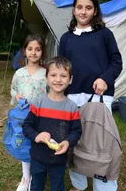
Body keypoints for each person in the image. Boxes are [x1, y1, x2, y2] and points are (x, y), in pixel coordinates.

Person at [58, 0, 123, 191]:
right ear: (74, 10)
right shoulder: (66, 38)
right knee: (75, 140)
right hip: (72, 96)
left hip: (99, 97)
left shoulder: (105, 34)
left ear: (95, 11)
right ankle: (79, 184)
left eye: (88, 8)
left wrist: (105, 78)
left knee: (100, 142)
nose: (83, 12)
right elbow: (61, 68)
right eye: (79, 7)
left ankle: (103, 185)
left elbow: (116, 62)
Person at [22, 56, 82, 191]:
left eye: (63, 76)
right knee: (36, 186)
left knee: (57, 186)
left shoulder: (72, 107)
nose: (58, 79)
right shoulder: (38, 103)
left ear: (70, 80)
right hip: (37, 157)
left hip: (59, 159)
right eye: (53, 75)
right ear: (47, 78)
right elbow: (26, 126)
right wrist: (36, 136)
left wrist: (67, 142)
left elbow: (76, 131)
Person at [10, 34, 47, 191]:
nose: (33, 53)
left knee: (38, 144)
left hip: (41, 116)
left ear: (42, 52)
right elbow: (13, 89)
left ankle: (38, 175)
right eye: (30, 49)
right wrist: (16, 95)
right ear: (24, 51)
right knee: (25, 144)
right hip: (24, 117)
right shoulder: (19, 73)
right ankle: (26, 177)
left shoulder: (46, 73)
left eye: (37, 49)